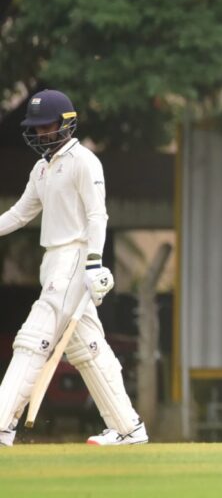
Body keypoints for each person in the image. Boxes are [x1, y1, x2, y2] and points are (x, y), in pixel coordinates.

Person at [0, 89, 147, 446]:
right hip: (53, 262)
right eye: (34, 127)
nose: (39, 133)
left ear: (66, 124)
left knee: (33, 339)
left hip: (75, 258)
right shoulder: (42, 168)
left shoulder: (84, 161)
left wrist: (94, 263)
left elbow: (98, 215)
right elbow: (20, 214)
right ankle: (129, 428)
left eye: (45, 126)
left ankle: (2, 421)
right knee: (88, 348)